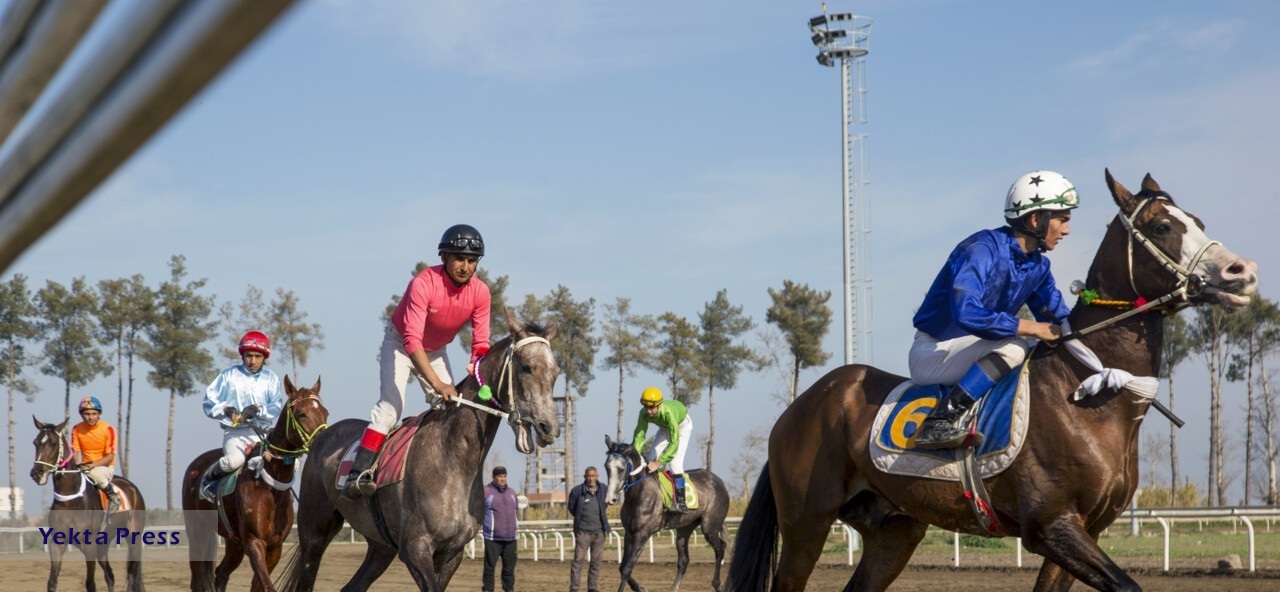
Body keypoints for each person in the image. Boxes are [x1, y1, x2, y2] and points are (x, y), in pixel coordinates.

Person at [909, 170, 1077, 450]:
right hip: (933, 352)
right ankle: (939, 421)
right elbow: (967, 312)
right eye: (1062, 220)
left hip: (973, 350)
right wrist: (1031, 327)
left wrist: (1100, 305)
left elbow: (1059, 320)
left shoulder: (1038, 266)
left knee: (1040, 349)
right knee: (1016, 345)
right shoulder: (981, 250)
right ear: (1036, 219)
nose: (1067, 230)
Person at [343, 224, 492, 499]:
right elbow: (412, 340)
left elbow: (480, 344)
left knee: (452, 407)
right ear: (443, 257)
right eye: (459, 259)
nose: (465, 267)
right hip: (400, 344)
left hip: (435, 350)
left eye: (472, 261)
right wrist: (438, 384)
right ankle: (356, 475)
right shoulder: (423, 283)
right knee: (390, 409)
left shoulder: (481, 293)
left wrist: (476, 368)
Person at [200, 330, 285, 501]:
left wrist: (258, 409)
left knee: (286, 462)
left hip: (262, 434)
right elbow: (209, 401)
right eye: (249, 356)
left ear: (264, 357)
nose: (252, 361)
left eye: (257, 356)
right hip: (236, 433)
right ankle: (209, 479)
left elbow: (276, 405)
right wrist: (225, 409)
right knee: (234, 461)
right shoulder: (228, 375)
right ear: (243, 355)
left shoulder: (271, 378)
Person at [632, 386, 693, 513]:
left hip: (681, 427)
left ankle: (681, 503)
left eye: (651, 408)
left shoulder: (668, 413)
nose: (648, 411)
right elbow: (639, 435)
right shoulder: (643, 413)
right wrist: (636, 454)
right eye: (646, 407)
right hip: (664, 428)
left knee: (675, 464)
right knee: (649, 459)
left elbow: (674, 442)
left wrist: (658, 463)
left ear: (659, 405)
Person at [71, 396, 122, 517]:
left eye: (94, 413)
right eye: (87, 414)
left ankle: (113, 497)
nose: (90, 417)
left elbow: (110, 457)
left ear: (99, 414)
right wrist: (73, 466)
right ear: (81, 415)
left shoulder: (108, 429)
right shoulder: (77, 429)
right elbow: (75, 453)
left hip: (104, 467)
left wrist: (91, 465)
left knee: (95, 474)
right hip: (85, 467)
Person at [568, 466, 611, 592]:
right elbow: (572, 507)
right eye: (588, 476)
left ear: (597, 476)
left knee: (596, 561)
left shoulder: (603, 489)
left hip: (599, 532)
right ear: (584, 477)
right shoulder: (577, 491)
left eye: (593, 476)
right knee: (578, 561)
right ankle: (574, 588)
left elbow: (606, 504)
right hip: (583, 532)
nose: (590, 478)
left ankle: (592, 587)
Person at [482, 466, 519, 592]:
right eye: (499, 476)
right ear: (493, 477)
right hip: (493, 538)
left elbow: (516, 511)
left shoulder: (512, 493)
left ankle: (509, 590)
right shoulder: (486, 492)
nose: (502, 479)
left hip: (511, 539)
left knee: (509, 570)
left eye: (504, 476)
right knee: (489, 568)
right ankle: (488, 590)